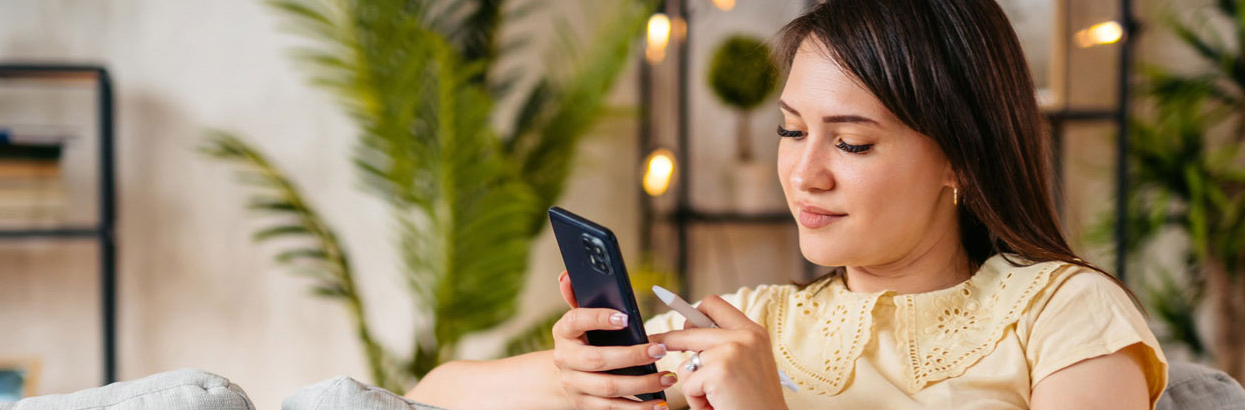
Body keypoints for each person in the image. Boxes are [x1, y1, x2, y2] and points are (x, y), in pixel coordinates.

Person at [407, 0, 1166, 408]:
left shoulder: (1062, 313)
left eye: (853, 144)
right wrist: (582, 376)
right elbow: (427, 396)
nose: (804, 174)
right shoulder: (747, 326)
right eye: (790, 130)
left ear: (961, 156)